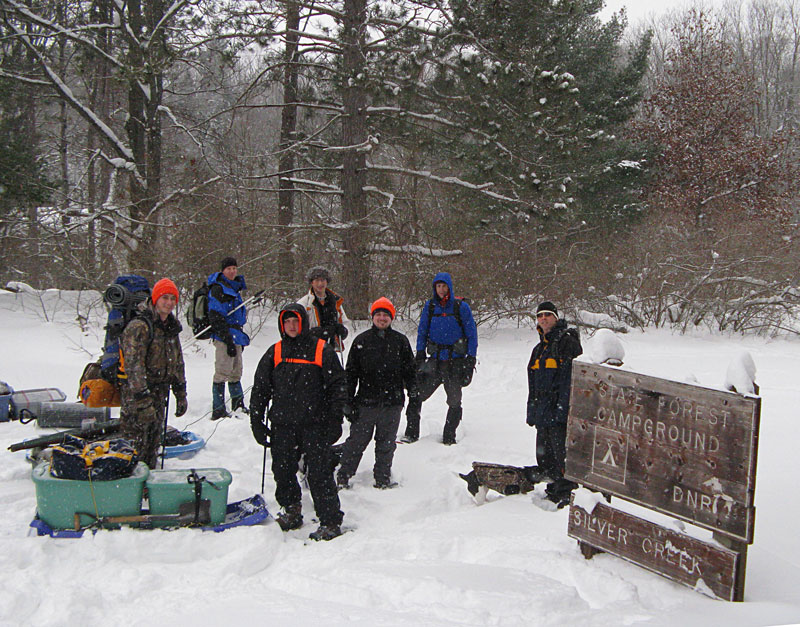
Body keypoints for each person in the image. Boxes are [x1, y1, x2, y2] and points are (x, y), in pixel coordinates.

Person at [249, 303, 348, 541]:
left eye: (296, 321)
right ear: (282, 325)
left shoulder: (320, 350)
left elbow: (338, 386)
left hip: (315, 424)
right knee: (282, 470)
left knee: (319, 473)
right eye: (287, 322)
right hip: (283, 424)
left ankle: (330, 520)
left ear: (303, 322)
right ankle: (291, 510)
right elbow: (261, 388)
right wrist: (256, 419)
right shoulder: (275, 352)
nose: (292, 326)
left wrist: (336, 418)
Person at [336, 297, 417, 490]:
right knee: (356, 442)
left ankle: (382, 478)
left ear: (391, 318)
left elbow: (410, 371)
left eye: (385, 315)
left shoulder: (400, 341)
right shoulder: (362, 341)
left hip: (392, 403)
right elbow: (351, 374)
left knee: (386, 444)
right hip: (366, 403)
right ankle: (343, 475)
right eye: (378, 314)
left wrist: (414, 391)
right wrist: (347, 401)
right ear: (373, 317)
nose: (382, 318)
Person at [401, 272, 478, 445]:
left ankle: (449, 436)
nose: (441, 290)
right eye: (438, 286)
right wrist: (420, 353)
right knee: (416, 395)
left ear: (449, 287)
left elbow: (472, 334)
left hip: (455, 362)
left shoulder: (461, 307)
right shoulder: (430, 307)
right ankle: (411, 433)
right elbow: (422, 331)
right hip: (434, 361)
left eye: (444, 286)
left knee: (454, 400)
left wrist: (471, 358)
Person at [119, 278, 188, 469]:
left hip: (159, 393)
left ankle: (149, 489)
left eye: (173, 299)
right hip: (137, 398)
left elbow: (177, 362)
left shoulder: (171, 327)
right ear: (156, 298)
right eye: (165, 298)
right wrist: (142, 401)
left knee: (152, 445)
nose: (169, 303)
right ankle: (130, 491)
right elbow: (134, 367)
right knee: (134, 448)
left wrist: (180, 393)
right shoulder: (139, 326)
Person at [526, 300, 582, 508]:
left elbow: (571, 379)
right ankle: (554, 488)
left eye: (548, 315)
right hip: (542, 410)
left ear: (556, 318)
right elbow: (532, 383)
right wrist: (532, 411)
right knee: (544, 455)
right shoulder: (539, 349)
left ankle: (567, 492)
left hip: (560, 410)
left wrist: (563, 409)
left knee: (563, 455)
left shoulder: (566, 342)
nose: (543, 319)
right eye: (540, 316)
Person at [208, 256, 250, 419]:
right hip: (224, 334)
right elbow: (216, 316)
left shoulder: (235, 288)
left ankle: (238, 405)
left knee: (236, 371)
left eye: (234, 268)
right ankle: (218, 409)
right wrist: (227, 338)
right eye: (229, 269)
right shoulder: (218, 289)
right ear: (223, 271)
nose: (232, 271)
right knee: (222, 371)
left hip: (236, 335)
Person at [297, 266, 349, 353]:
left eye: (323, 280)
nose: (320, 283)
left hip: (330, 349)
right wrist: (317, 333)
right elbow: (297, 330)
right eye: (317, 280)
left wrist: (343, 331)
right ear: (311, 282)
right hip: (310, 350)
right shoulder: (304, 303)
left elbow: (344, 322)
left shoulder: (335, 301)